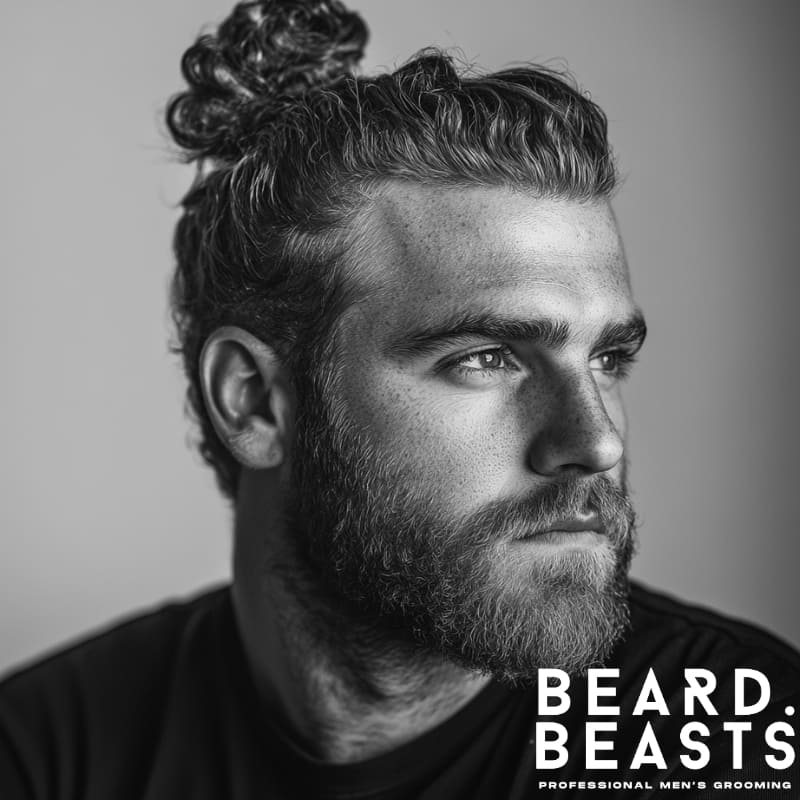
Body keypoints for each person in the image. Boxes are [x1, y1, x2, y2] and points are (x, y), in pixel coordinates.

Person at [0, 1, 797, 797]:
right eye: (486, 358)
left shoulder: (736, 745)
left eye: (608, 358)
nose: (596, 443)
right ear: (254, 402)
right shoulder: (46, 756)